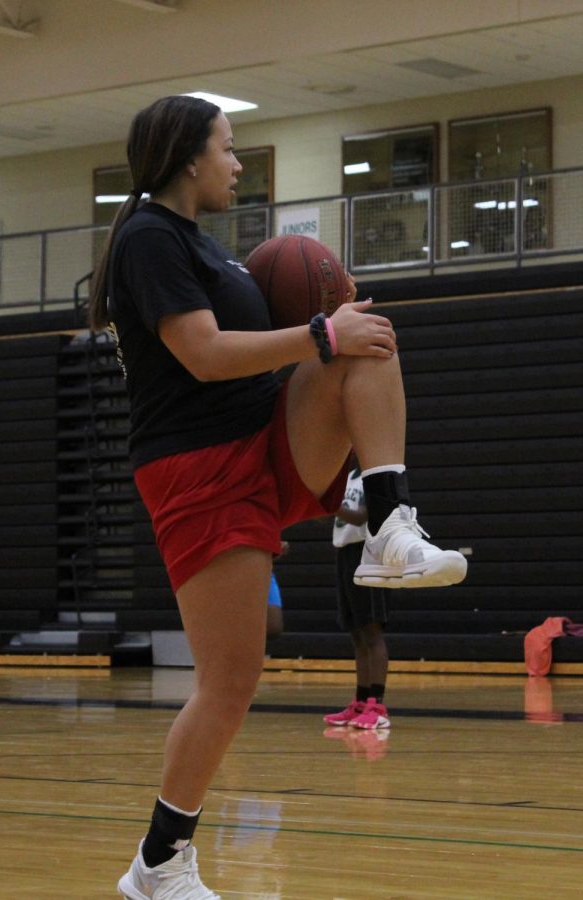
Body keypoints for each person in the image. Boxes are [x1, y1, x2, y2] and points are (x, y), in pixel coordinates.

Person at [88, 94, 467, 900]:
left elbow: (299, 340)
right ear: (189, 157)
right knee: (229, 683)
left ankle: (390, 526)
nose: (235, 163)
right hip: (197, 466)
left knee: (367, 338)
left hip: (257, 437)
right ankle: (158, 865)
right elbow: (202, 353)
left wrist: (330, 318)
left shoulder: (206, 245)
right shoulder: (149, 238)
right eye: (227, 149)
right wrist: (316, 336)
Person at [324, 459, 391, 731]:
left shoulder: (374, 476)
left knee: (372, 631)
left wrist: (329, 505)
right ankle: (361, 701)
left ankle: (378, 704)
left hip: (368, 552)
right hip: (345, 552)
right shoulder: (346, 476)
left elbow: (362, 515)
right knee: (356, 632)